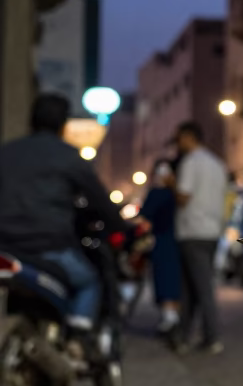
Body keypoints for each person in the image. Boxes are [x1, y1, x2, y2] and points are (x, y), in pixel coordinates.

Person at [0, 92, 125, 332]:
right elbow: (99, 199)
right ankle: (78, 337)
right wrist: (120, 225)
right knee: (88, 283)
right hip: (50, 246)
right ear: (63, 124)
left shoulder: (6, 152)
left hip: (5, 246)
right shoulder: (68, 156)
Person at [171, 121, 227, 354]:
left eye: (179, 139)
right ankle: (185, 335)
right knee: (194, 286)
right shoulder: (217, 163)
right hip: (211, 231)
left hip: (192, 231)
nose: (177, 144)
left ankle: (211, 336)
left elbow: (183, 197)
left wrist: (170, 184)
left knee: (199, 287)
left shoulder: (190, 162)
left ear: (188, 137)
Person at [139, 159, 182, 337]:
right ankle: (173, 318)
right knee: (173, 280)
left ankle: (170, 319)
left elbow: (144, 219)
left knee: (165, 279)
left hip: (164, 242)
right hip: (177, 241)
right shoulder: (177, 194)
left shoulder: (158, 194)